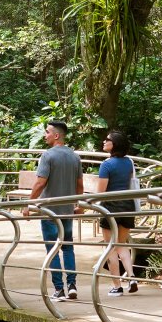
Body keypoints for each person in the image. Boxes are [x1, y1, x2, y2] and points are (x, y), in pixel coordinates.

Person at [24, 120, 83, 301]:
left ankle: (59, 289)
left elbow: (40, 182)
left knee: (52, 249)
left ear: (56, 135)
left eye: (47, 132)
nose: (45, 135)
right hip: (67, 211)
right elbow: (80, 185)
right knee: (67, 248)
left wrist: (28, 205)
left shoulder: (47, 156)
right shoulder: (75, 156)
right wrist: (77, 204)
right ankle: (72, 285)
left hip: (50, 212)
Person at [96, 129, 138, 295]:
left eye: (107, 140)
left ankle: (117, 286)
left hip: (110, 208)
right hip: (128, 206)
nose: (104, 142)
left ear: (115, 144)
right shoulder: (129, 162)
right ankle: (132, 277)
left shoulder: (106, 165)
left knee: (110, 247)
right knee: (121, 245)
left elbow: (101, 192)